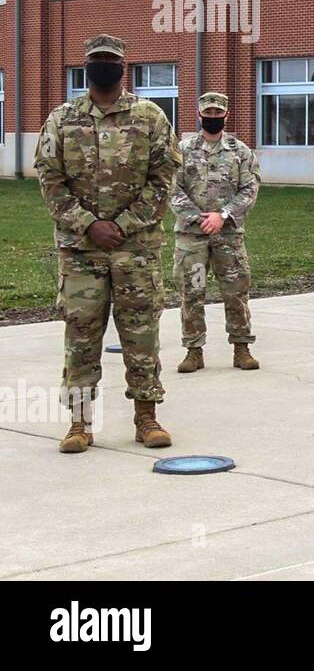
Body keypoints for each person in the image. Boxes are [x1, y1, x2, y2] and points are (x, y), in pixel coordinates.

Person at [34, 35, 181, 453]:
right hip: (81, 252)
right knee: (81, 335)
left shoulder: (150, 116)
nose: (103, 65)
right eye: (96, 59)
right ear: (86, 66)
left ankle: (146, 417)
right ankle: (79, 424)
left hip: (135, 249)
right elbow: (50, 178)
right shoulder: (62, 119)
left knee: (141, 334)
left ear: (123, 66)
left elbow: (163, 177)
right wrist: (88, 225)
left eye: (110, 60)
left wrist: (123, 224)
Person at [171, 91, 262, 373]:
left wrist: (223, 216)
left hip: (228, 236)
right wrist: (200, 218)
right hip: (192, 236)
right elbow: (172, 189)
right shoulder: (182, 150)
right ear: (199, 115)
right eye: (207, 113)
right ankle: (193, 350)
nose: (212, 118)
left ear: (226, 115)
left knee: (236, 291)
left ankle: (241, 347)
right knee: (192, 292)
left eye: (217, 113)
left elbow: (250, 188)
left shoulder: (240, 151)